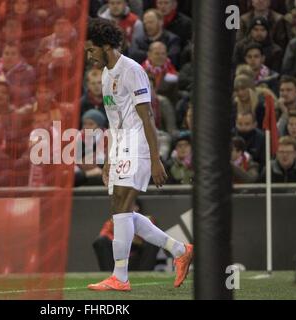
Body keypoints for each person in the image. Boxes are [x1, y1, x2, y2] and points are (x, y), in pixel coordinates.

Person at [85, 18, 193, 291]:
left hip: (139, 143)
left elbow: (148, 119)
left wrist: (155, 159)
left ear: (106, 46)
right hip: (122, 145)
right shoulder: (108, 74)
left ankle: (120, 277)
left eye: (91, 50)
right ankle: (179, 249)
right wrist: (110, 156)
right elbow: (115, 122)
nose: (89, 56)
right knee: (120, 210)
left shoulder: (132, 70)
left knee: (121, 207)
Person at [92, 199, 161, 272]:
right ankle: (110, 275)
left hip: (138, 259)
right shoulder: (112, 223)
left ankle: (145, 274)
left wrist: (136, 239)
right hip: (118, 258)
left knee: (152, 242)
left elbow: (150, 236)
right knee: (101, 241)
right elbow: (103, 237)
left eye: (131, 206)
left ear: (137, 208)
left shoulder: (147, 220)